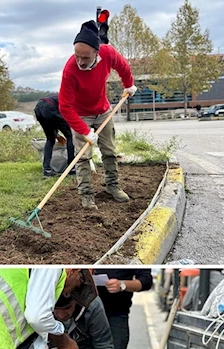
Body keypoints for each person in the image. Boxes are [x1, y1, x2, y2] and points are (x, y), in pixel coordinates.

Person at [59, 21, 137, 210]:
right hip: (80, 114)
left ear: (97, 52)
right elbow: (65, 107)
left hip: (102, 110)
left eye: (85, 57)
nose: (80, 61)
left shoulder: (108, 53)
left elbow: (123, 67)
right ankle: (86, 196)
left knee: (109, 151)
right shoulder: (70, 70)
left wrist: (129, 84)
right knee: (83, 157)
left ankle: (113, 187)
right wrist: (85, 131)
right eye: (77, 56)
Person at [34, 93, 76, 178]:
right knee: (70, 136)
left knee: (50, 138)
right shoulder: (72, 99)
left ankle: (47, 170)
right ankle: (72, 168)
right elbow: (66, 115)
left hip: (39, 107)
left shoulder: (60, 96)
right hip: (50, 107)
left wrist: (56, 134)